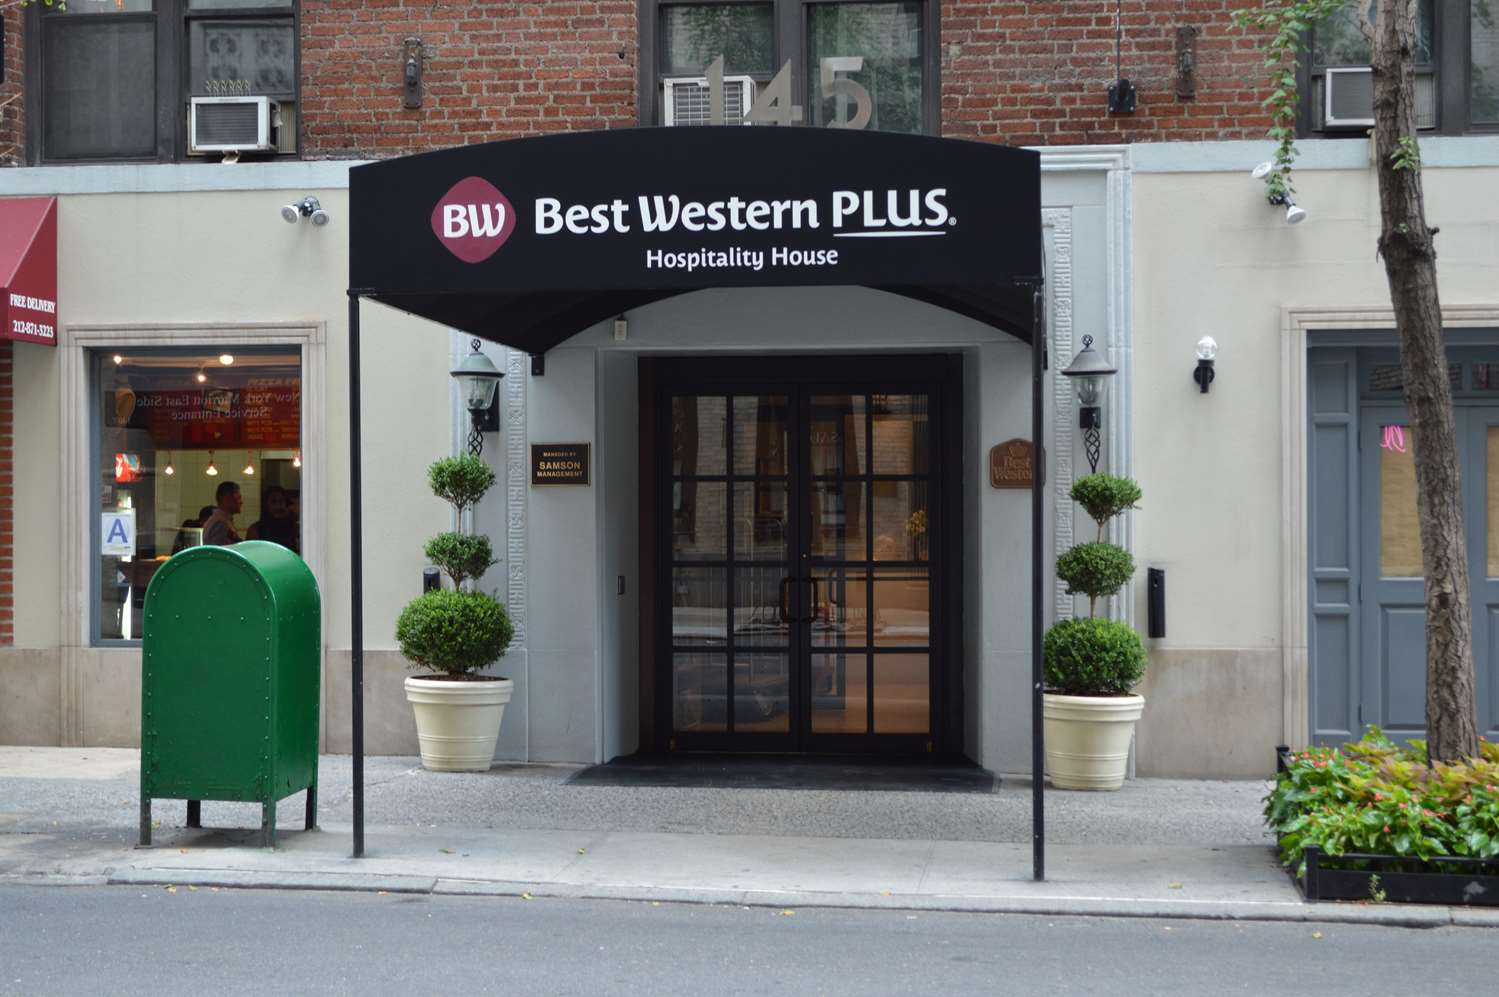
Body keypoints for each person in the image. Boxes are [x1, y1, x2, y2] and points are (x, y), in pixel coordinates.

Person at [247, 485, 299, 552]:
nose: (278, 506)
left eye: (281, 501)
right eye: (273, 502)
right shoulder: (255, 530)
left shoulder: (294, 527)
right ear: (266, 505)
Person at [201, 481, 243, 546]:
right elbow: (220, 550)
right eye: (238, 498)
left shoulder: (220, 519)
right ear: (227, 498)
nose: (241, 502)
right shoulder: (221, 523)